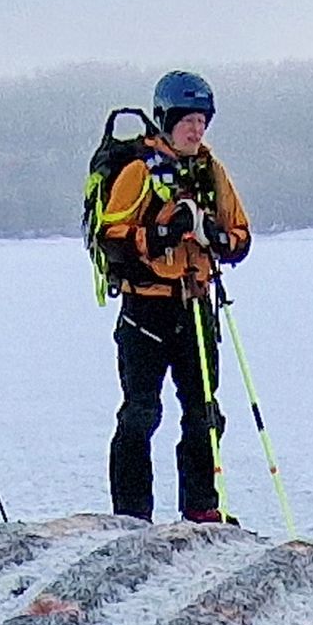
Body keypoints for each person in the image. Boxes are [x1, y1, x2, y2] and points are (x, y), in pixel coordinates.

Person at [94, 71, 252, 524]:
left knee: (203, 411)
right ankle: (131, 516)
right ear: (166, 119)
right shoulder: (138, 172)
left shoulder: (211, 173)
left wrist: (215, 235)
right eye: (187, 120)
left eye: (202, 121)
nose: (196, 129)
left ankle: (201, 507)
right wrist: (162, 233)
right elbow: (113, 237)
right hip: (146, 308)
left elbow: (241, 238)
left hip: (196, 303)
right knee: (141, 412)